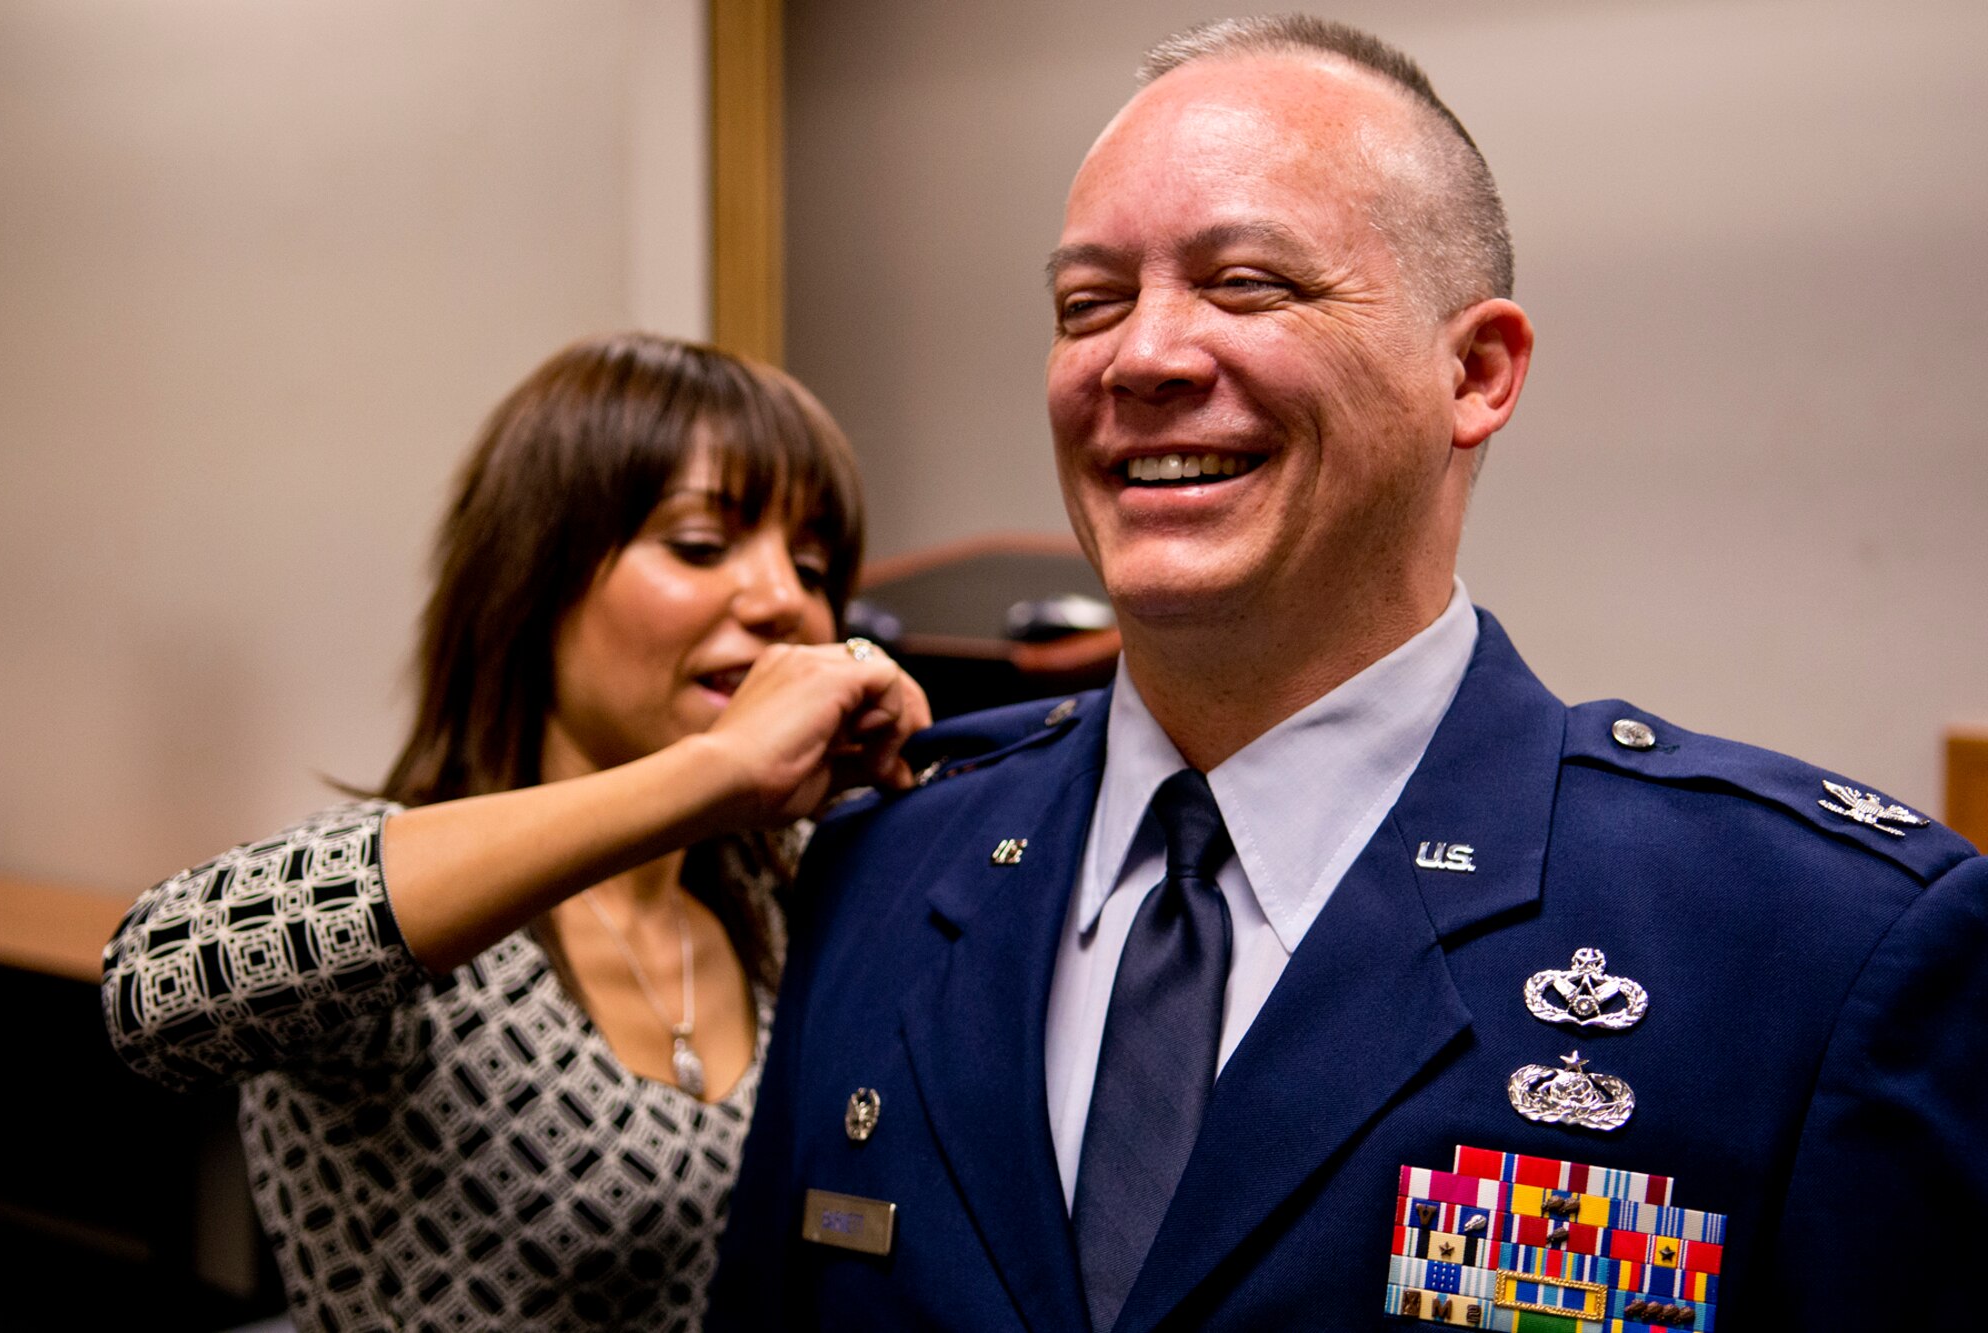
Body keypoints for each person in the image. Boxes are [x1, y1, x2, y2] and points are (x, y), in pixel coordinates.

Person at [709, 16, 1988, 1332]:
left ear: (1476, 373)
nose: (1139, 357)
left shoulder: (1808, 950)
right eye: (1088, 304)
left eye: (1248, 284)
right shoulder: (890, 869)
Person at [102, 332, 929, 1331]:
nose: (782, 603)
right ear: (535, 575)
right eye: (700, 546)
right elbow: (154, 984)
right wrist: (709, 770)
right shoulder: (422, 911)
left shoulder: (778, 888)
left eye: (810, 563)